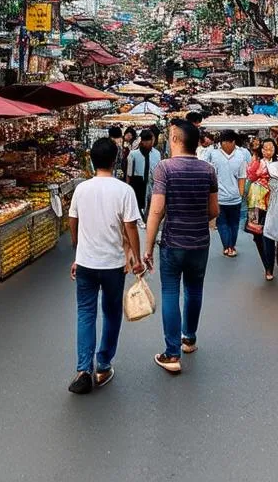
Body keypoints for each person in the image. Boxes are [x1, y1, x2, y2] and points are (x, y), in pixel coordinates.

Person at [67, 137, 143, 395]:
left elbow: (73, 222)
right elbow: (131, 227)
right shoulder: (124, 191)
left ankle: (82, 369)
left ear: (92, 159)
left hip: (86, 263)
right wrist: (136, 257)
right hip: (113, 265)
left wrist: (78, 251)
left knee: (86, 314)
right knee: (111, 314)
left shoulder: (81, 189)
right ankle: (103, 364)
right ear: (115, 160)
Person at [143, 118, 219, 374]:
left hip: (173, 243)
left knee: (170, 293)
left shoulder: (164, 169)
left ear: (175, 138)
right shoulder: (208, 170)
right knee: (195, 290)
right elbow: (214, 210)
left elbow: (156, 211)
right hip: (200, 243)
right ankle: (189, 338)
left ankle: (172, 353)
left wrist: (148, 247)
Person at [246, 138, 278, 281]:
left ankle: (269, 268)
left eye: (270, 148)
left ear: (275, 150)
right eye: (265, 148)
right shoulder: (256, 162)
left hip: (273, 201)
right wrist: (255, 160)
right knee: (257, 235)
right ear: (261, 149)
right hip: (257, 202)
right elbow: (251, 176)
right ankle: (266, 264)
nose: (267, 151)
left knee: (268, 235)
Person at [210, 131, 250, 257]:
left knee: (233, 224)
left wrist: (240, 194)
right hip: (220, 197)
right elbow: (212, 177)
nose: (227, 144)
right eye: (224, 142)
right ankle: (227, 246)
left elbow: (242, 177)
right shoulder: (214, 155)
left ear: (233, 142)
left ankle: (230, 246)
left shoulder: (240, 156)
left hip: (235, 198)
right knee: (222, 223)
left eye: (229, 142)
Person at [127, 128, 159, 218]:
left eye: (151, 140)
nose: (150, 143)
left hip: (152, 183)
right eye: (147, 140)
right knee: (139, 206)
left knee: (151, 206)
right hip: (138, 184)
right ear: (142, 141)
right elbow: (129, 174)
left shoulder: (157, 154)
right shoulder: (133, 154)